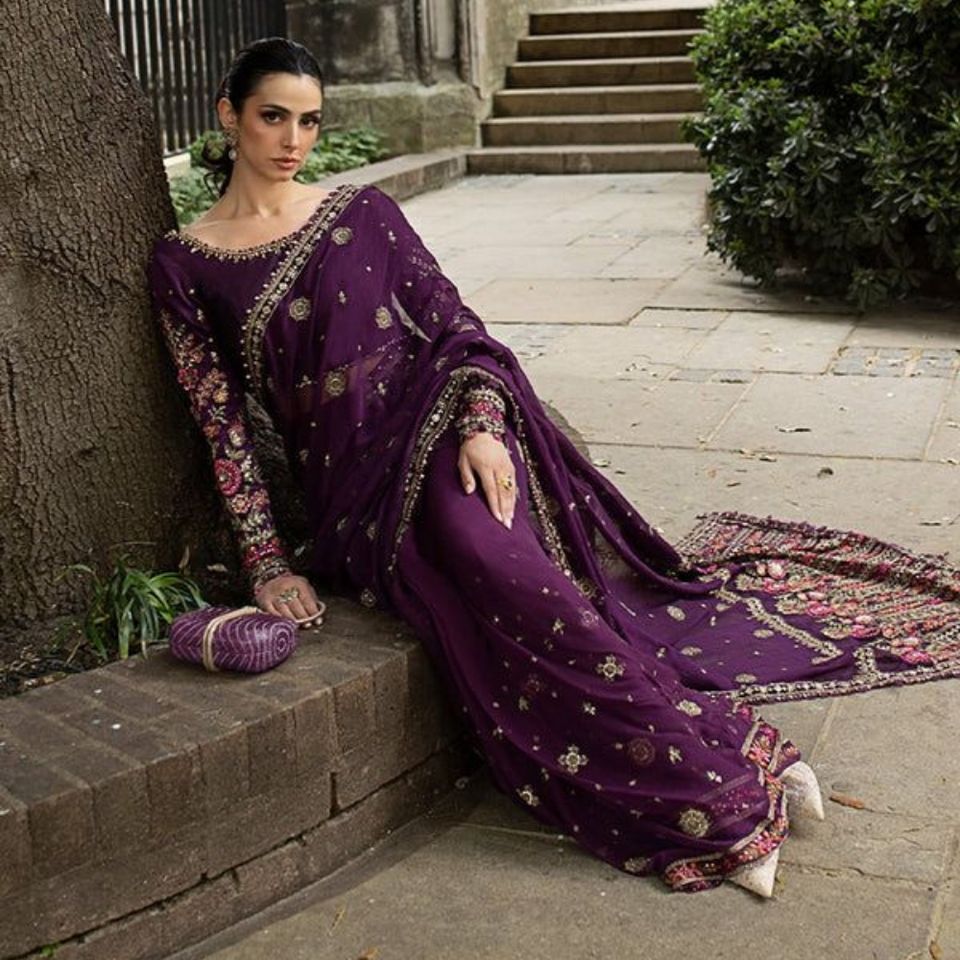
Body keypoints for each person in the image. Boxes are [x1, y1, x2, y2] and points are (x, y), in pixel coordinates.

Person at [147, 37, 960, 898]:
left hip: (446, 431)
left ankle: (713, 770)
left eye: (310, 122)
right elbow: (221, 424)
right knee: (496, 590)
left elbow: (455, 326)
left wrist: (482, 425)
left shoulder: (361, 213)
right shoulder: (185, 262)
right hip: (353, 494)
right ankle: (714, 780)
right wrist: (268, 565)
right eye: (273, 117)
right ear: (229, 114)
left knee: (503, 564)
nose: (293, 141)